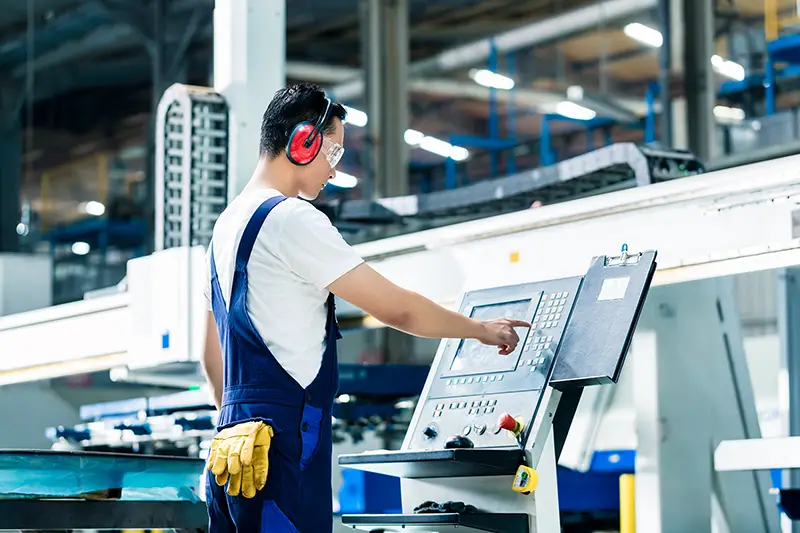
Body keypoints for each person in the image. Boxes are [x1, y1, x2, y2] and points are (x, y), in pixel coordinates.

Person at [200, 83, 531, 532]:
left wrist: (239, 425)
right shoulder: (291, 219)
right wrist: (479, 329)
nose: (334, 172)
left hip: (232, 454)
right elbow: (400, 311)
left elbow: (211, 354)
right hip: (281, 450)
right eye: (333, 154)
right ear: (303, 142)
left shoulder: (223, 229)